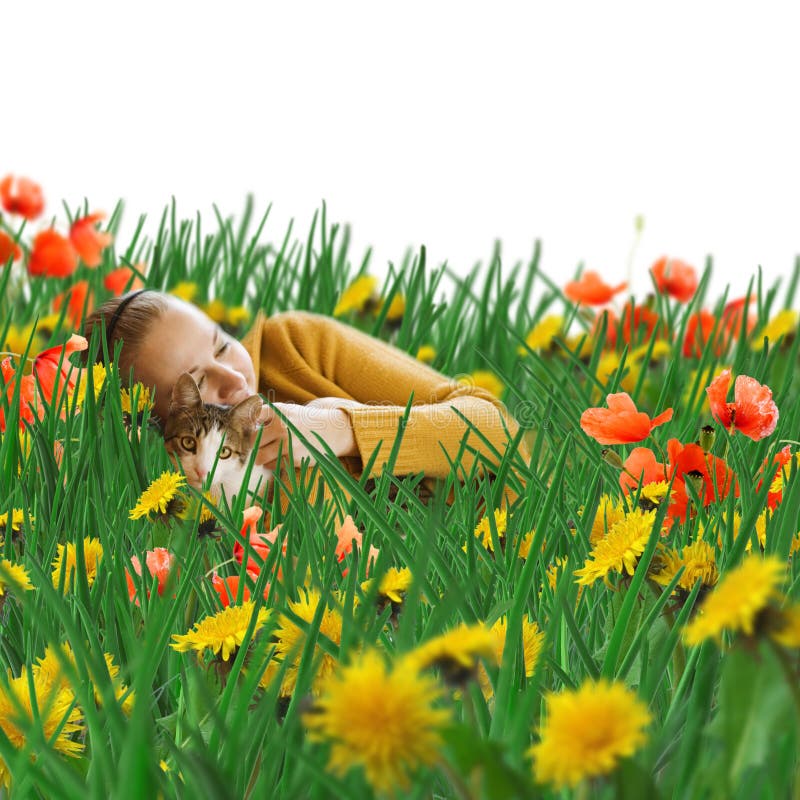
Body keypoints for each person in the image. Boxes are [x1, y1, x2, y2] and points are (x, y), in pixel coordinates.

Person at [82, 289, 528, 510]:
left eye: (221, 344)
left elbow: (500, 433)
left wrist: (339, 428)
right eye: (196, 383)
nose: (233, 376)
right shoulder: (192, 491)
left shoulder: (296, 344)